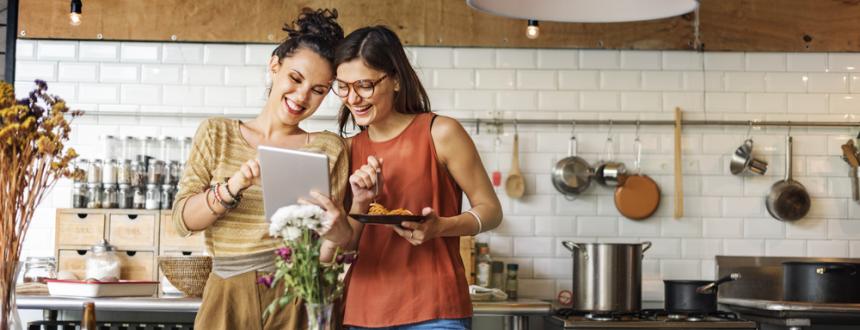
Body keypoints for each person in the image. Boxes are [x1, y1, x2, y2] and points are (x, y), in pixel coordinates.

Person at [171, 8, 352, 330]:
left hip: (299, 291)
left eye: (318, 90)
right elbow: (184, 221)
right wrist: (233, 186)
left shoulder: (329, 147)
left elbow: (328, 247)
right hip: (227, 289)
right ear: (274, 65)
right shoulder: (218, 133)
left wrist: (338, 233)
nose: (302, 97)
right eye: (295, 79)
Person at [333, 26, 503, 329]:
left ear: (396, 79)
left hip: (435, 309)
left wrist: (442, 227)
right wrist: (360, 202)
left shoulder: (441, 133)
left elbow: (491, 211)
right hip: (362, 311)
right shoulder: (346, 149)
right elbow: (346, 245)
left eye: (364, 85)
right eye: (343, 86)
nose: (353, 98)